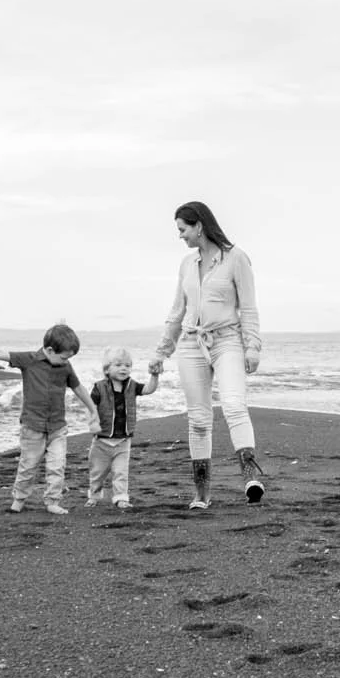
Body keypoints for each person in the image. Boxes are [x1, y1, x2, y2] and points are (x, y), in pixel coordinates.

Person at [150, 200, 263, 509]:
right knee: (199, 419)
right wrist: (162, 351)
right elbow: (177, 311)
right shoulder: (187, 264)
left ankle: (250, 477)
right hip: (190, 342)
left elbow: (249, 307)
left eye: (182, 229)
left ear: (199, 225)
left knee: (233, 405)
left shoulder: (236, 259)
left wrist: (252, 346)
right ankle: (202, 492)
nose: (180, 236)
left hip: (227, 340)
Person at [0, 323, 96, 515]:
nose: (66, 361)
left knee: (57, 466)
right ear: (50, 350)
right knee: (28, 466)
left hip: (57, 427)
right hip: (32, 427)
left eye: (68, 358)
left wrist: (92, 408)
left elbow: (78, 388)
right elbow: (2, 354)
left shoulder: (65, 367)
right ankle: (19, 498)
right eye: (64, 357)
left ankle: (52, 501)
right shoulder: (29, 360)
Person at [86, 346, 166, 510]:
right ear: (107, 369)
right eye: (118, 365)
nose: (124, 368)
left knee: (121, 472)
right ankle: (94, 495)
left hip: (123, 441)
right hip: (101, 442)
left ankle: (121, 498)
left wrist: (155, 375)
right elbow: (91, 406)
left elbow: (149, 389)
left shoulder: (132, 386)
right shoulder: (99, 387)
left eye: (127, 365)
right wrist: (92, 422)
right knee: (97, 474)